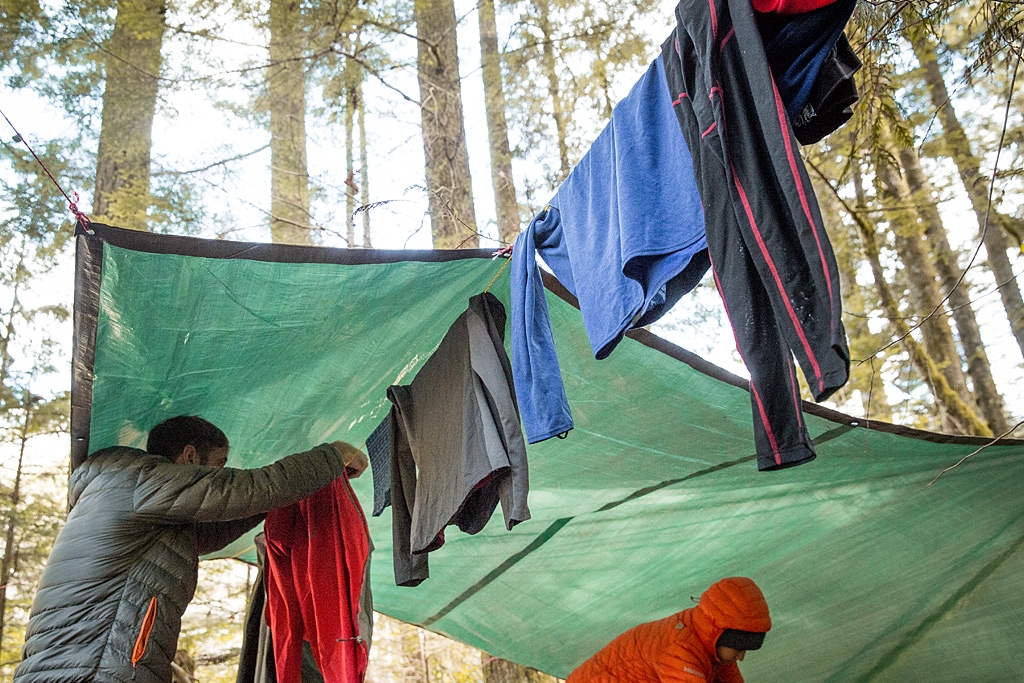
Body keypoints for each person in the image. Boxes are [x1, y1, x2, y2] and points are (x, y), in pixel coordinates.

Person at [14, 415, 368, 683]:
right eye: (217, 465)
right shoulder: (141, 480)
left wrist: (283, 500)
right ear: (189, 457)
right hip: (95, 668)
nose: (220, 474)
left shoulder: (129, 496)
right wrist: (330, 457)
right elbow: (247, 489)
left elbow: (207, 533)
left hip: (77, 664)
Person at [566, 576, 771, 683]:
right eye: (738, 649)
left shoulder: (714, 646)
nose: (741, 657)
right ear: (721, 635)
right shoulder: (680, 649)